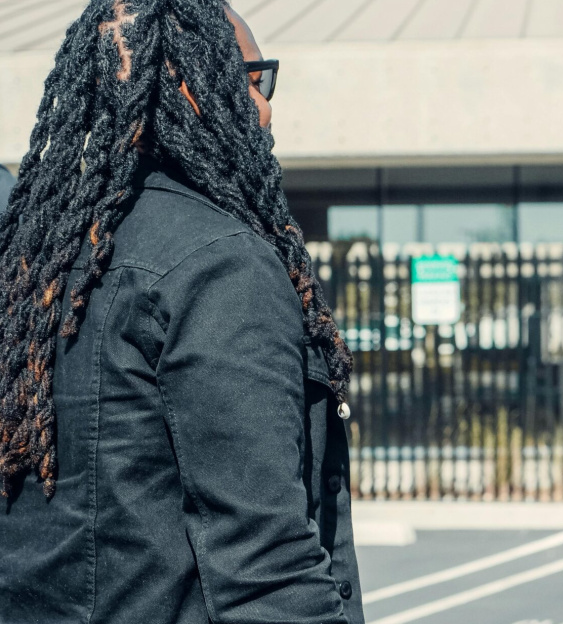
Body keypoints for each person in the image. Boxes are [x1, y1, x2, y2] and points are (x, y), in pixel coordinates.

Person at [0, 2, 363, 623]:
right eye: (250, 78)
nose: (265, 106)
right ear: (190, 82)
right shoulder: (220, 265)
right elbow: (268, 574)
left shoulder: (36, 265)